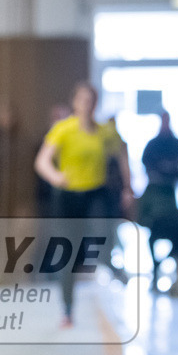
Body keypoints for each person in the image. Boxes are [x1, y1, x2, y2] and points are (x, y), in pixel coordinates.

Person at [34, 81, 132, 327]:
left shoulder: (104, 132)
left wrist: (128, 187)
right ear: (75, 103)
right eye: (82, 100)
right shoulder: (63, 129)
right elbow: (42, 162)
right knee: (67, 254)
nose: (87, 105)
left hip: (95, 194)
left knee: (101, 241)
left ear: (95, 104)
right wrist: (56, 177)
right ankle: (67, 309)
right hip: (67, 196)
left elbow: (122, 154)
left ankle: (113, 267)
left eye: (91, 101)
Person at [138, 111, 178, 287]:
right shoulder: (151, 188)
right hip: (157, 219)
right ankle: (158, 267)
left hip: (171, 215)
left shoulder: (176, 144)